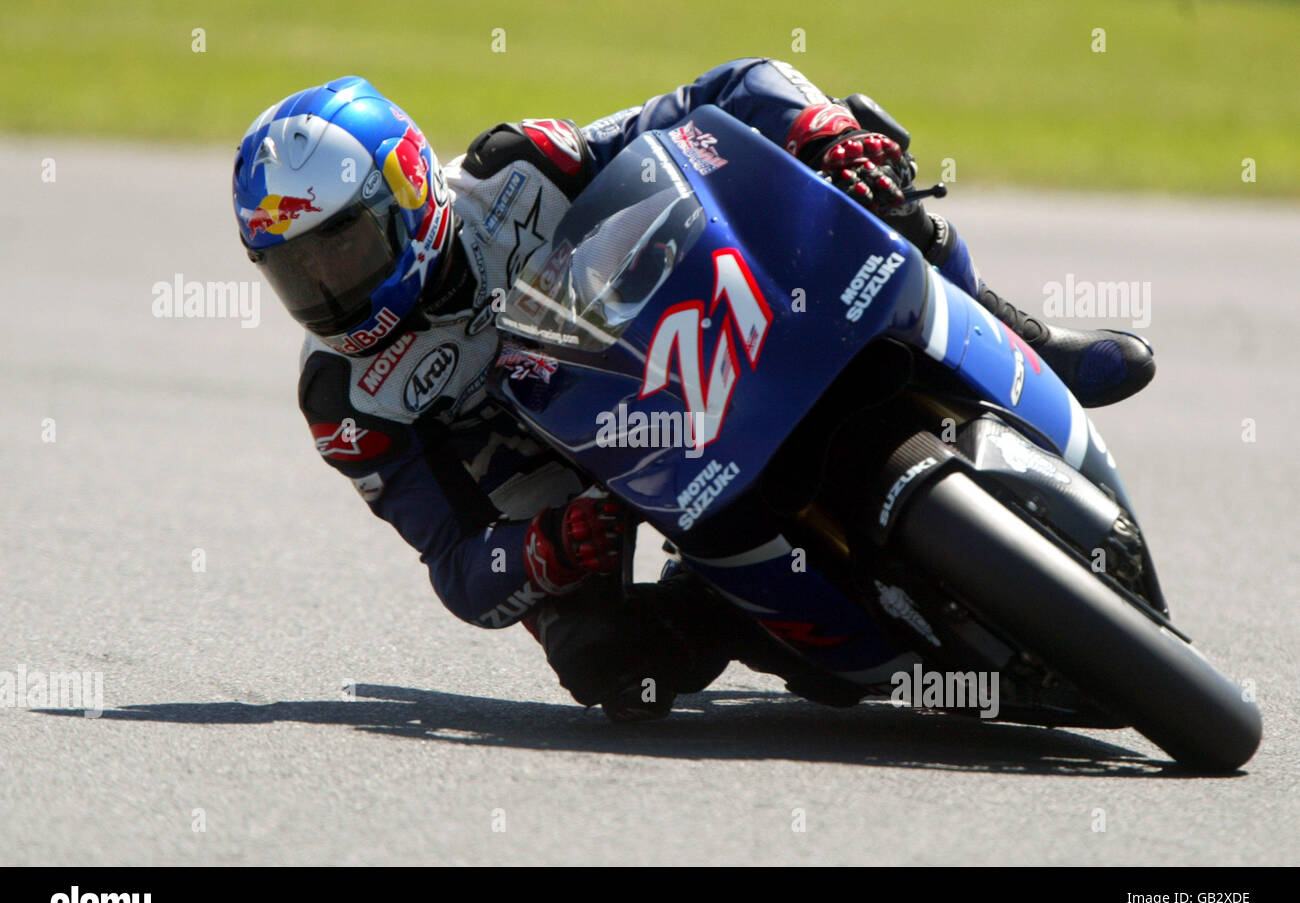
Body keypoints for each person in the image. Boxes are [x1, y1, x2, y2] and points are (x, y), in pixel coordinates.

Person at [232, 59, 1155, 719]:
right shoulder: (347, 399)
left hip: (677, 343)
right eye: (294, 272)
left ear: (409, 189)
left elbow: (719, 94)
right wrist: (546, 551)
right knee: (614, 671)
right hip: (561, 478)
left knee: (863, 181)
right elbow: (456, 563)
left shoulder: (522, 168)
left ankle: (1021, 333)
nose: (326, 289)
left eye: (341, 248)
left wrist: (818, 130)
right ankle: (735, 610)